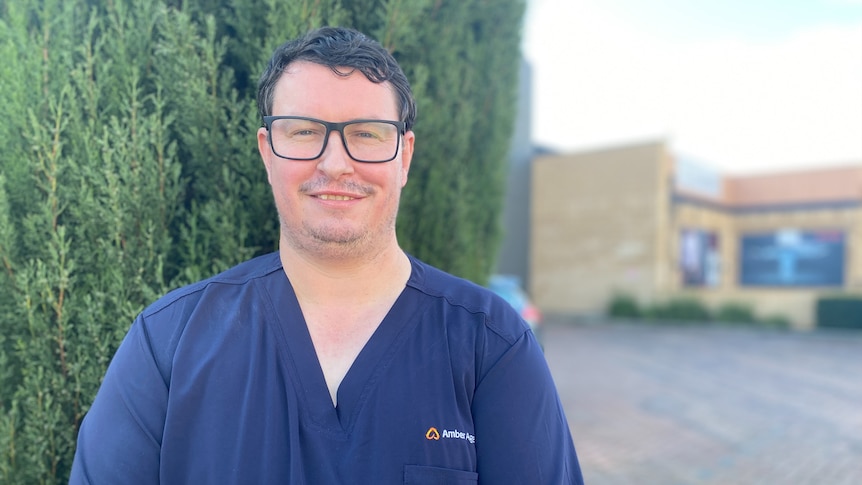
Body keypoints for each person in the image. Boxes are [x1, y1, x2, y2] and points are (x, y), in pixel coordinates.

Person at [70, 26, 584, 484]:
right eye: (304, 131)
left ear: (403, 156)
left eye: (366, 134)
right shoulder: (168, 342)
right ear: (267, 151)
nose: (335, 162)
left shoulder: (490, 344)